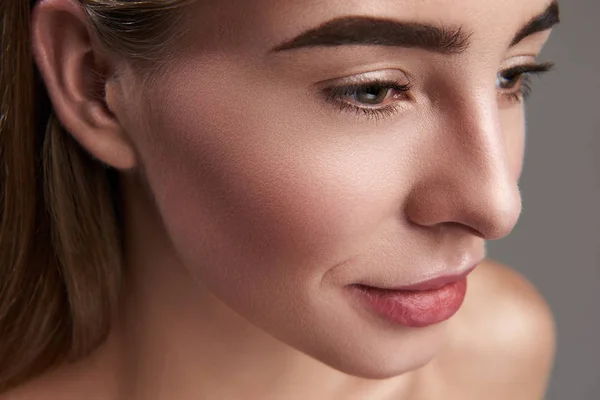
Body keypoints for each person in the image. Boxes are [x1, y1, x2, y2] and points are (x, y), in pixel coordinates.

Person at [0, 0, 560, 398]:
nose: (497, 206)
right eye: (371, 90)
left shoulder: (493, 355)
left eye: (512, 77)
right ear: (95, 81)